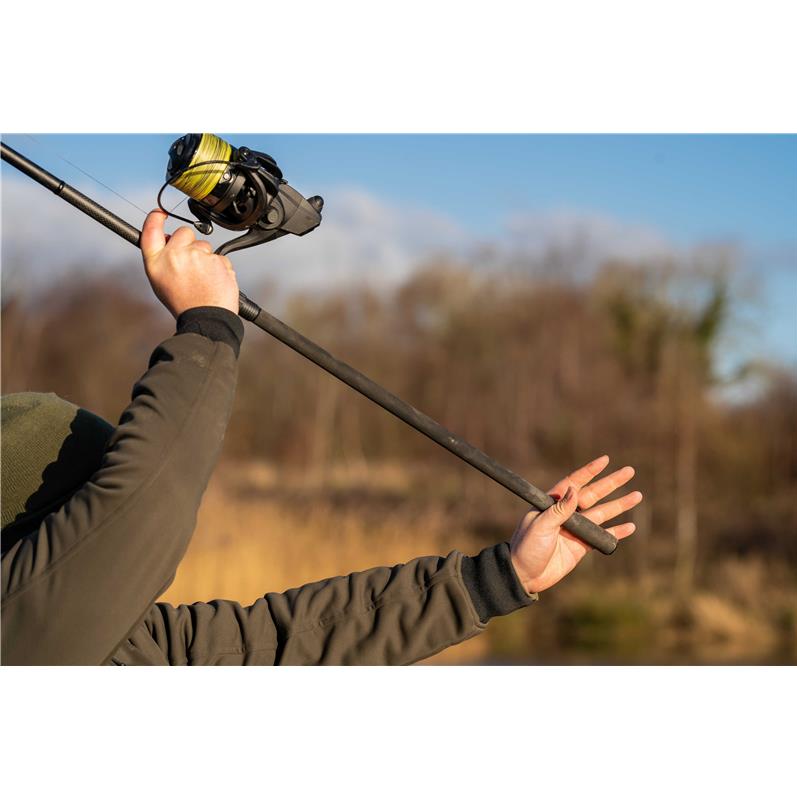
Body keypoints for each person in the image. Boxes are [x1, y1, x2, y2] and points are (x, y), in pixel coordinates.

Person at [1, 211, 642, 666]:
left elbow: (279, 645)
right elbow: (146, 501)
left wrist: (497, 578)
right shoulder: (22, 632)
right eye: (85, 503)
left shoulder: (120, 649)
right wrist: (208, 325)